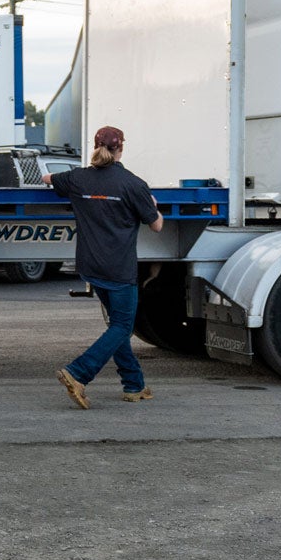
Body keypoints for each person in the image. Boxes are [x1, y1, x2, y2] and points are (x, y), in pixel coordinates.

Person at [44, 125, 164, 409]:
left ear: (95, 147)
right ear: (121, 147)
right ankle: (78, 372)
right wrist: (154, 205)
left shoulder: (77, 178)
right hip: (119, 270)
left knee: (117, 325)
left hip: (91, 267)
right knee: (122, 326)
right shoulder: (133, 184)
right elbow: (156, 225)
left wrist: (52, 178)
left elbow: (48, 178)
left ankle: (134, 385)